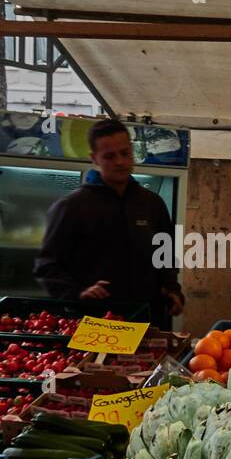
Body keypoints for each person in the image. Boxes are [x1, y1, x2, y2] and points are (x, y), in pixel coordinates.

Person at [34, 118, 183, 326]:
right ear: (94, 158)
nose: (120, 162)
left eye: (125, 153)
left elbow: (166, 256)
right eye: (109, 156)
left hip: (147, 322)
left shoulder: (152, 204)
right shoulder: (71, 207)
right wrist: (77, 294)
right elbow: (47, 266)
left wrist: (173, 290)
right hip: (94, 324)